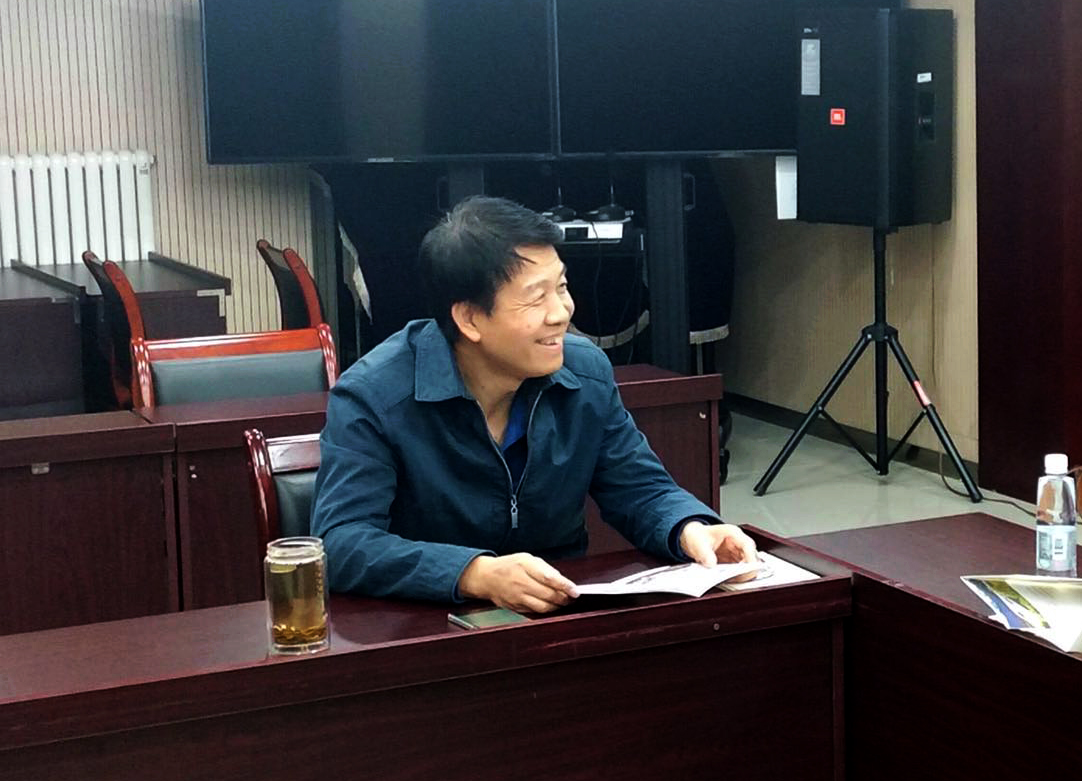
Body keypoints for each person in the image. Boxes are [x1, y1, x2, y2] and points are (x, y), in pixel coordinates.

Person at [312, 196, 754, 611]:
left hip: (558, 611)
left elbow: (640, 487)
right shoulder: (374, 396)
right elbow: (342, 542)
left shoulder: (585, 373)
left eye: (561, 287)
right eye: (536, 297)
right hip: (428, 624)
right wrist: (474, 573)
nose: (561, 312)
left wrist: (689, 527)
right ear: (469, 318)